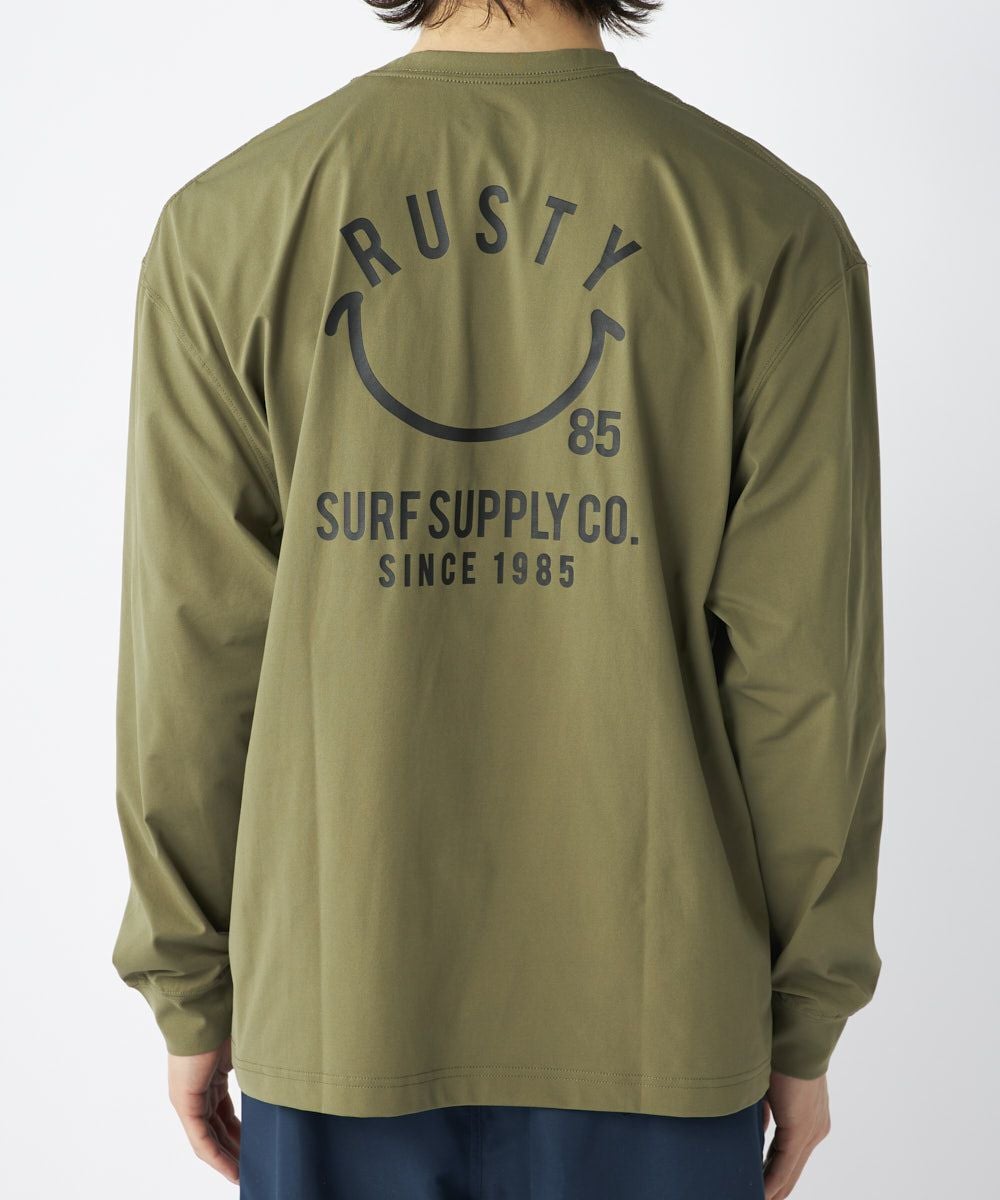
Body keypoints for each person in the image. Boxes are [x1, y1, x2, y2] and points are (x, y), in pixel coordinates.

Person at [110, 1, 886, 1197]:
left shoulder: (228, 223)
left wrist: (190, 990)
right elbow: (804, 679)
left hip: (340, 997)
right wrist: (802, 1019)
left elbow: (191, 655)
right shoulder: (765, 226)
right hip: (658, 1015)